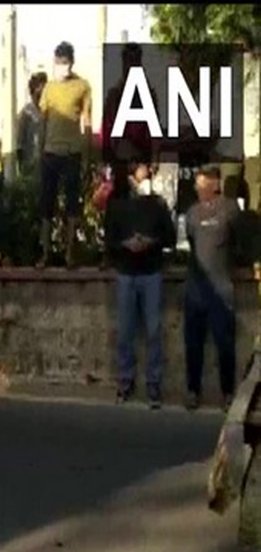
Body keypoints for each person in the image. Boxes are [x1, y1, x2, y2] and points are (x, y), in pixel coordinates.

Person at [104, 163, 176, 408]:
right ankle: (125, 382)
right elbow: (109, 240)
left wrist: (150, 242)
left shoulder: (157, 204)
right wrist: (126, 244)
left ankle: (153, 385)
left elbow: (170, 237)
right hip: (126, 272)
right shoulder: (117, 204)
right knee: (125, 331)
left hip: (151, 272)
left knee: (154, 331)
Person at [183, 165, 242, 412]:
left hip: (221, 287)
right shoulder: (192, 213)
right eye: (197, 185)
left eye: (203, 185)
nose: (199, 189)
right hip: (197, 288)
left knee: (225, 343)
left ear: (215, 185)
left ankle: (228, 393)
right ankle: (192, 391)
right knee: (193, 343)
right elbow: (190, 240)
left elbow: (239, 239)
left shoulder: (229, 208)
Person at [37, 41, 92, 269]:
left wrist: (87, 154)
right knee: (46, 206)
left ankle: (70, 254)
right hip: (50, 152)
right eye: (58, 62)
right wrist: (40, 149)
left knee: (72, 206)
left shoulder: (82, 86)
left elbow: (86, 121)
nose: (61, 66)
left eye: (65, 62)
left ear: (71, 62)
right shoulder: (49, 88)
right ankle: (45, 254)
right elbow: (43, 120)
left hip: (72, 153)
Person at [16, 72, 47, 177]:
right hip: (30, 162)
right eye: (40, 87)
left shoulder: (47, 112)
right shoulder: (26, 113)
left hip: (45, 162)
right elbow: (19, 140)